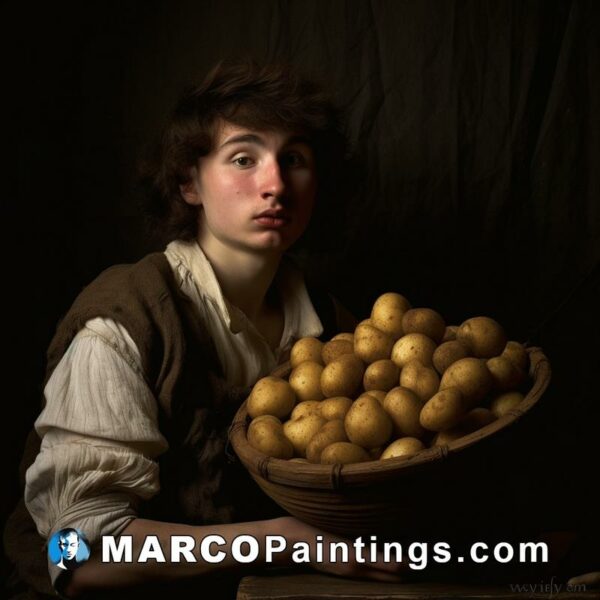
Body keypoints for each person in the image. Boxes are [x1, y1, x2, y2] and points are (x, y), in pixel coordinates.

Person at [4, 61, 403, 599]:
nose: (276, 184)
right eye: (244, 158)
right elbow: (72, 553)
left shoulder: (338, 330)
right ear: (189, 182)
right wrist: (281, 541)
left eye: (295, 159)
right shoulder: (124, 321)